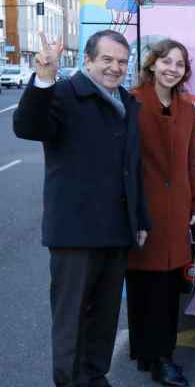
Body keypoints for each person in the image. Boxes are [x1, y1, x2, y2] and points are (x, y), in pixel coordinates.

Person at [13, 30, 149, 387]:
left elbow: (132, 169)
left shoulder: (127, 101)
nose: (115, 67)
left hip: (116, 230)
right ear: (88, 61)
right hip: (75, 232)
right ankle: (70, 381)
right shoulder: (65, 94)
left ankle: (94, 376)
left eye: (122, 61)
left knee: (104, 318)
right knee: (71, 320)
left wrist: (141, 219)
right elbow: (28, 126)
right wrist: (43, 78)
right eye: (106, 59)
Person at [126, 39, 195, 386]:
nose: (172, 69)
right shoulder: (131, 101)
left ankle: (162, 355)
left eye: (179, 64)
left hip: (177, 212)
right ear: (153, 64)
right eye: (166, 61)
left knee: (168, 289)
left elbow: (193, 160)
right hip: (145, 211)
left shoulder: (186, 108)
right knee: (145, 287)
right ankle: (151, 356)